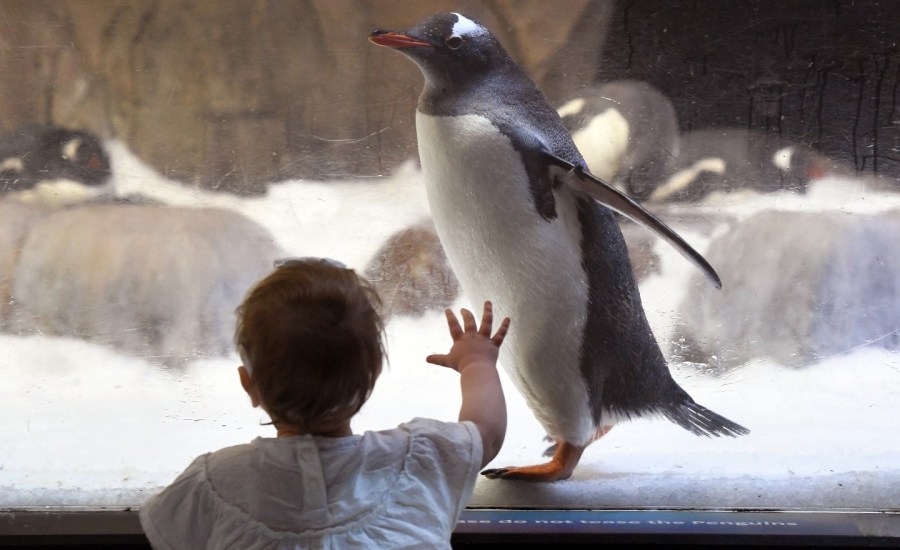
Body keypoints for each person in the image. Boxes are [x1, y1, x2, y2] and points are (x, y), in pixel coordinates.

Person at [139, 257, 509, 549]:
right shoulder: (417, 458)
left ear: (249, 386)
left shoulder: (213, 483)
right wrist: (475, 362)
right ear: (374, 371)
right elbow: (486, 434)